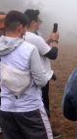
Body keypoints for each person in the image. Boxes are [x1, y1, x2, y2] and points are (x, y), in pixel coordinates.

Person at [0, 10, 53, 139]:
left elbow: (1, 78)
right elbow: (41, 82)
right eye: (25, 28)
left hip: (6, 109)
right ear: (20, 28)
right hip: (31, 108)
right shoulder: (29, 49)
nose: (25, 32)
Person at [24, 9, 61, 138]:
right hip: (41, 77)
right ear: (33, 22)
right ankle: (46, 131)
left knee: (32, 104)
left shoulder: (22, 36)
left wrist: (48, 40)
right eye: (39, 20)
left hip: (28, 77)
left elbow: (38, 49)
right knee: (43, 105)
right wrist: (55, 40)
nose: (40, 23)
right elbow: (53, 55)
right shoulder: (35, 38)